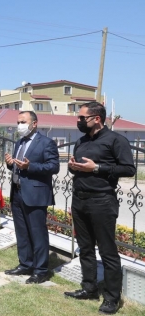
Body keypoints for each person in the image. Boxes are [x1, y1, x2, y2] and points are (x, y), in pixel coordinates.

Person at [64, 102, 135, 315]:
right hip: (80, 200)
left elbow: (129, 168)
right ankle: (89, 288)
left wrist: (96, 167)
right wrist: (72, 166)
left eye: (82, 118)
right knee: (85, 248)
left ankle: (112, 298)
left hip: (102, 201)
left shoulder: (115, 140)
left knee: (107, 251)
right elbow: (78, 167)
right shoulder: (82, 140)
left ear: (97, 119)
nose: (78, 121)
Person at [3, 111, 59, 284]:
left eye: (23, 122)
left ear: (34, 123)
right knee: (22, 232)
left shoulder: (46, 142)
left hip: (35, 194)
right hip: (18, 192)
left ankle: (41, 270)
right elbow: (18, 167)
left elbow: (53, 166)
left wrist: (30, 166)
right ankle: (25, 263)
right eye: (18, 122)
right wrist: (10, 163)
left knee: (37, 232)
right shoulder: (19, 142)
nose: (19, 125)